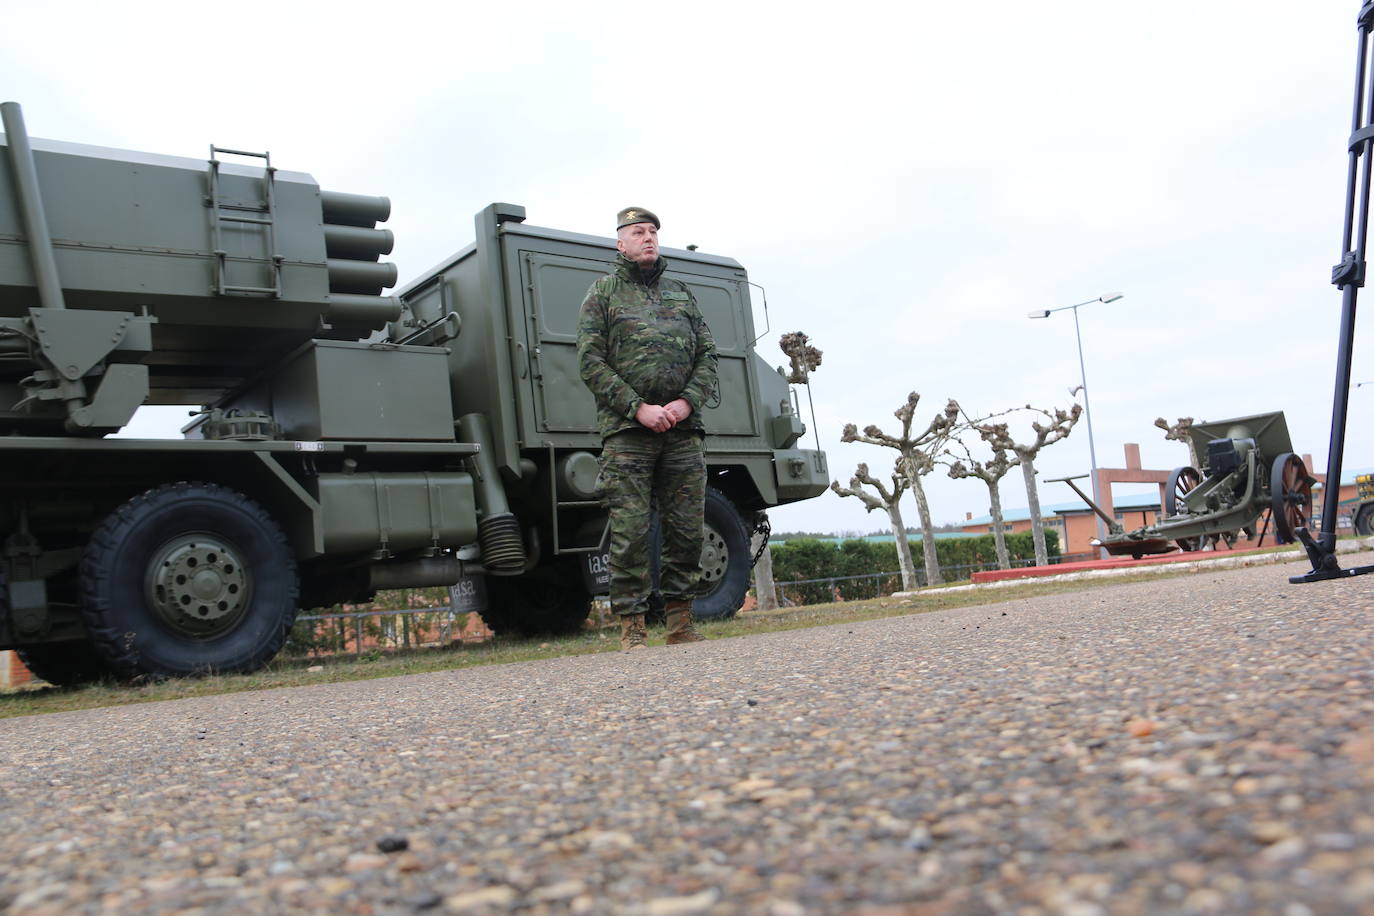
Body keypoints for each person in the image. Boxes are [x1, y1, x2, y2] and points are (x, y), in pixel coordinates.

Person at [576, 207, 718, 650]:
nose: (649, 237)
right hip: (628, 434)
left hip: (682, 431)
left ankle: (680, 622)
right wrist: (638, 409)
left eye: (653, 231)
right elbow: (590, 362)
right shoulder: (603, 293)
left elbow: (708, 356)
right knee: (631, 531)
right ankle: (633, 627)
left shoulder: (681, 294)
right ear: (620, 244)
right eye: (638, 232)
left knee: (687, 529)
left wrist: (685, 402)